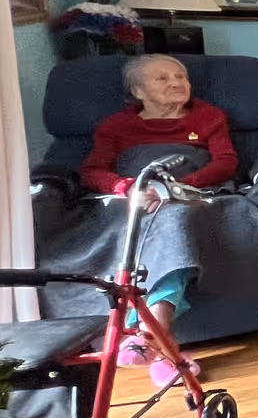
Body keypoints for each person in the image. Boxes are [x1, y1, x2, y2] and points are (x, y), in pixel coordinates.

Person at [79, 53, 238, 349]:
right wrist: (127, 188)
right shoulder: (115, 125)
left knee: (173, 222)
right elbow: (92, 171)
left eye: (181, 76)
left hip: (188, 191)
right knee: (133, 229)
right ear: (138, 91)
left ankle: (153, 338)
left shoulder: (208, 116)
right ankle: (153, 341)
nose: (176, 82)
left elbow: (225, 162)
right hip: (131, 195)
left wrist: (175, 187)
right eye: (162, 78)